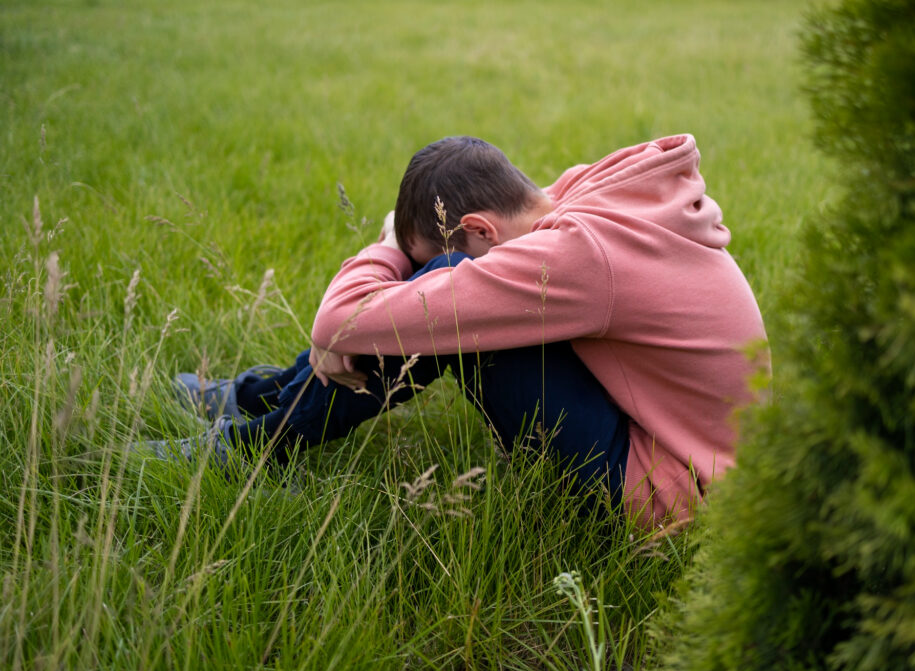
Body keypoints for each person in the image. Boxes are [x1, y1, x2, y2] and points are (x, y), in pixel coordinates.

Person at [149, 135, 767, 526]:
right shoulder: (583, 198)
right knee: (440, 290)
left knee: (446, 282)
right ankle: (257, 400)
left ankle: (254, 446)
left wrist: (391, 254)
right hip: (692, 447)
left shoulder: (578, 257)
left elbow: (340, 320)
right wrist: (376, 303)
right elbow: (356, 321)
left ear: (480, 227)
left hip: (670, 490)